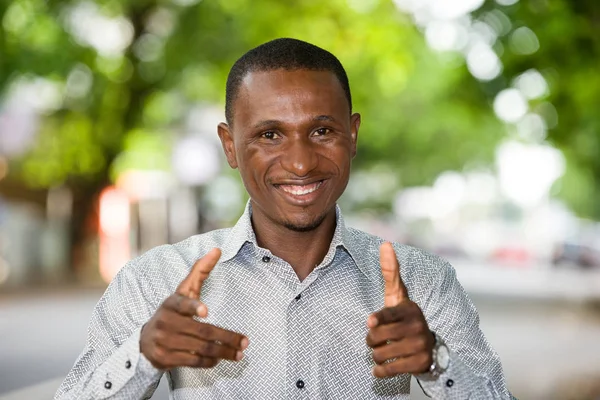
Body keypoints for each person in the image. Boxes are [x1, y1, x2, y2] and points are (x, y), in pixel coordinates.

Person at [55, 38, 512, 399]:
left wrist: (436, 361)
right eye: (270, 135)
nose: (299, 162)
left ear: (352, 135)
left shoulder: (424, 282)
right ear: (230, 145)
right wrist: (143, 353)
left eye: (321, 131)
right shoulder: (154, 280)